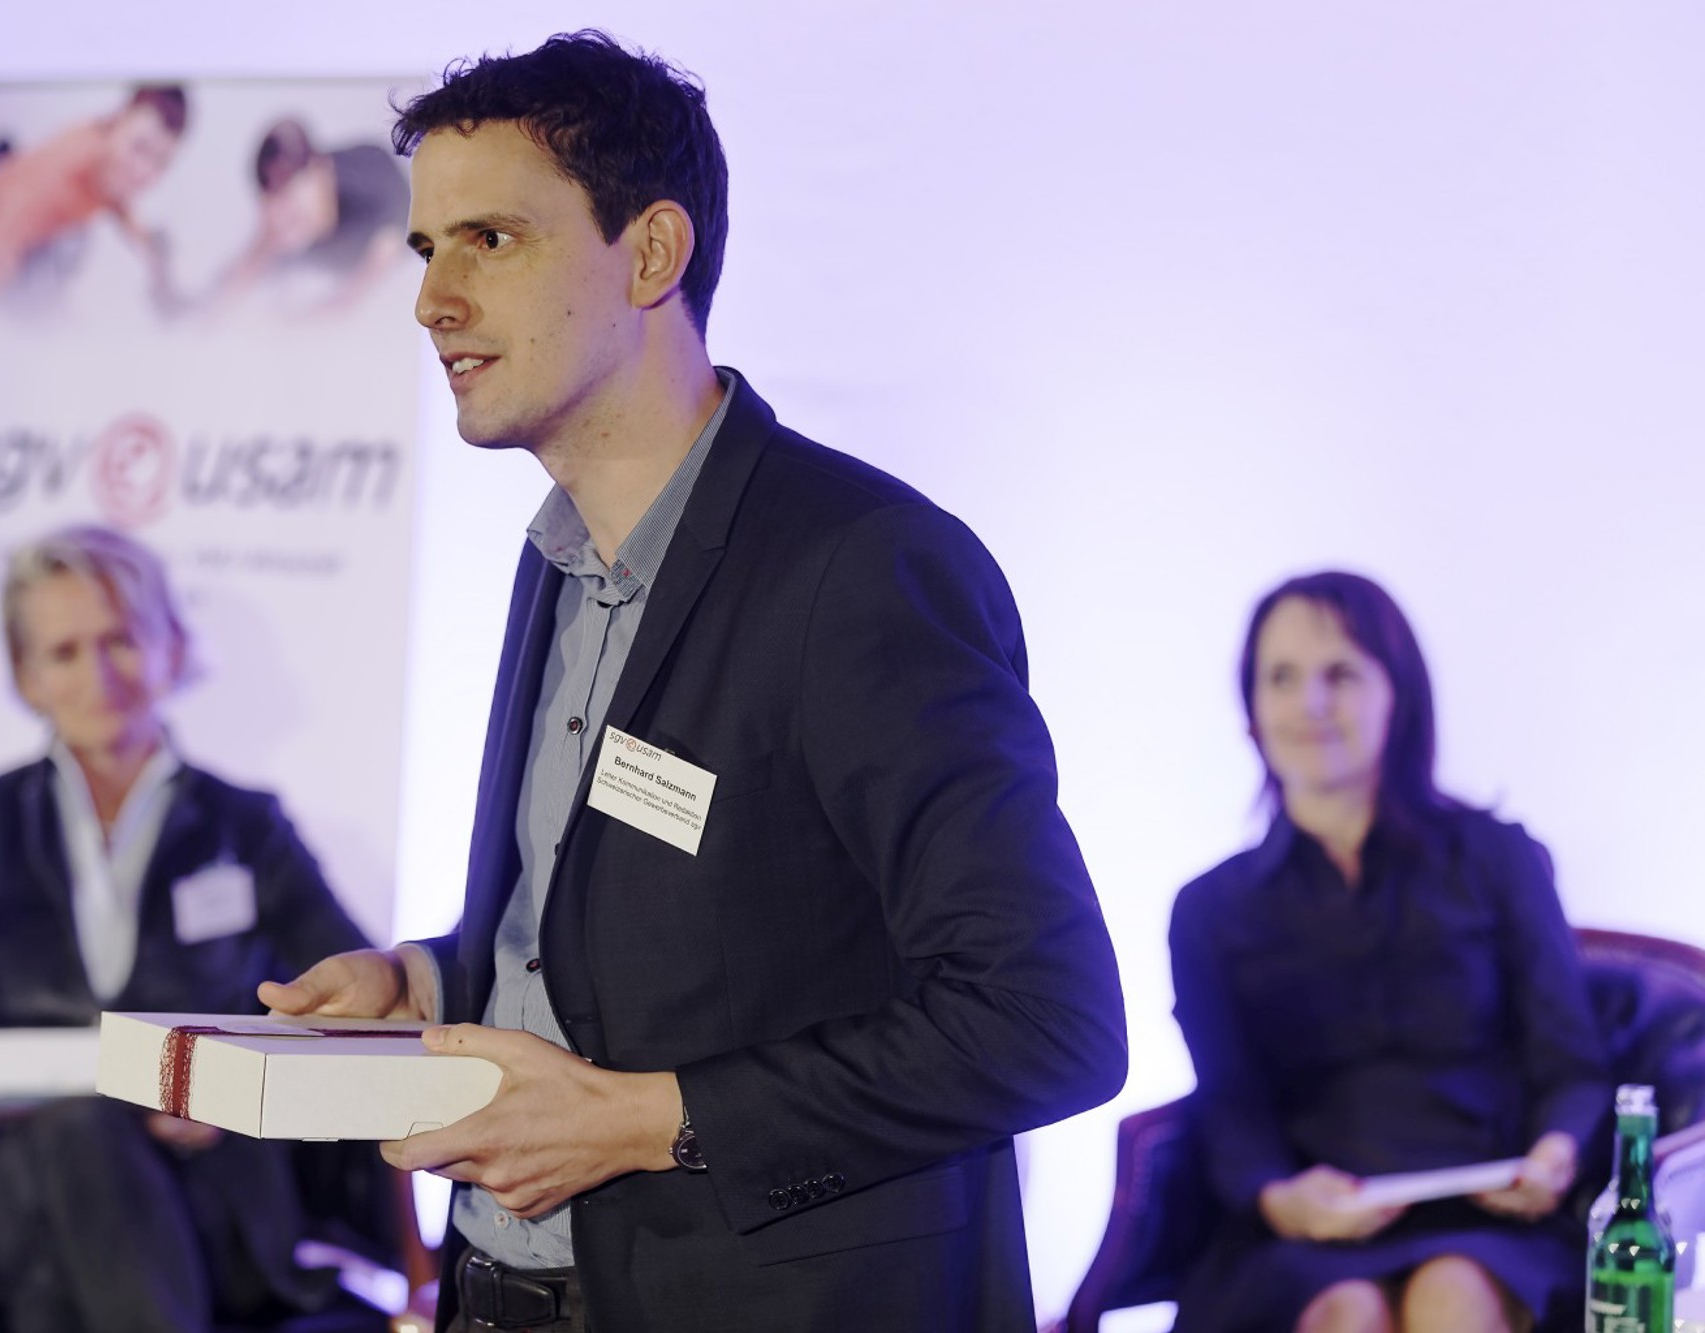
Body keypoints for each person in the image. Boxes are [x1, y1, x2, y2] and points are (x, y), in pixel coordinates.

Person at [259, 30, 1128, 1333]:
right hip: (497, 1293)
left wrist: (640, 1120)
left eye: (490, 239)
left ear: (651, 254)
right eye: (427, 249)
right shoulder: (554, 560)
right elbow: (663, 940)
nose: (433, 299)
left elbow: (1042, 1020)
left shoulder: (860, 568)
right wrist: (433, 980)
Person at [0, 524, 373, 1332]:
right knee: (81, 1132)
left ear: (171, 647)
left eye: (120, 639)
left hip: (206, 1189)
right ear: (27, 675)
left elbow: (357, 994)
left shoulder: (247, 830)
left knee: (66, 1269)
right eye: (63, 652)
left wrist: (239, 1087)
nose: (98, 675)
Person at [1167, 572, 1608, 1333]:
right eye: (1282, 677)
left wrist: (1555, 1154)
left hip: (1491, 1215)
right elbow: (1229, 1102)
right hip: (1303, 1228)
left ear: (1398, 694)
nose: (1310, 703)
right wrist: (1278, 1198)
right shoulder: (1208, 909)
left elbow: (1570, 1063)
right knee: (1350, 1311)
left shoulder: (1498, 858)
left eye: (1340, 673)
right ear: (1251, 710)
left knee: (1453, 1293)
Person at [0, 84, 189, 313]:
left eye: (161, 161)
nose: (143, 172)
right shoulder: (52, 186)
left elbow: (116, 199)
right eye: (140, 147)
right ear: (118, 121)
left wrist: (143, 240)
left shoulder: (111, 162)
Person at [164, 117, 409, 321]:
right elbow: (244, 273)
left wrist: (301, 324)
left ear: (320, 169)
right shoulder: (285, 220)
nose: (287, 229)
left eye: (295, 216)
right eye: (277, 212)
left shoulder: (376, 190)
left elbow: (352, 301)